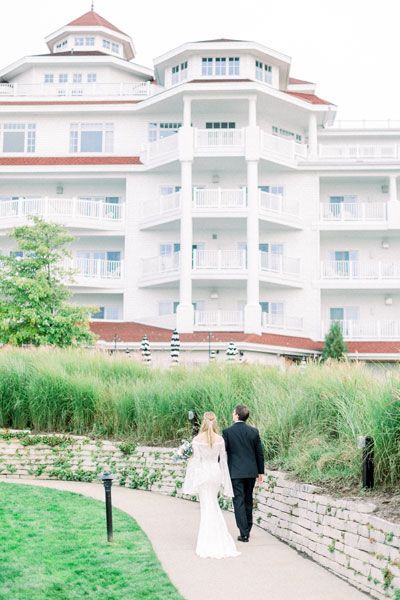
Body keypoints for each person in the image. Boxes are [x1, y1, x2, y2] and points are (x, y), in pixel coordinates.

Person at [182, 411, 240, 559]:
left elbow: (196, 461)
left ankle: (207, 540)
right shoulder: (220, 439)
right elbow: (223, 462)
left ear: (203, 421)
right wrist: (225, 480)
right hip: (215, 473)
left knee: (207, 506)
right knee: (212, 503)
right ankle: (217, 536)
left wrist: (191, 475)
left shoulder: (197, 439)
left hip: (203, 474)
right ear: (215, 422)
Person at [223, 405, 264, 543]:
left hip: (235, 473)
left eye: (233, 412)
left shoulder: (227, 432)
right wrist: (260, 472)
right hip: (251, 472)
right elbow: (259, 453)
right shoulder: (253, 431)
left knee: (238, 501)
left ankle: (244, 532)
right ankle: (248, 528)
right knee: (248, 500)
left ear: (236, 415)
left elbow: (223, 453)